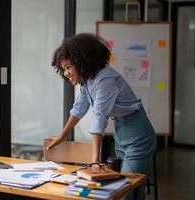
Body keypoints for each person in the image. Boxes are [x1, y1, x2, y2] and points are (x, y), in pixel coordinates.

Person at [46, 33, 156, 199]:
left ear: (82, 62)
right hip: (122, 132)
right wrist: (62, 136)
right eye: (64, 69)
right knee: (125, 188)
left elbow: (99, 117)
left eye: (68, 67)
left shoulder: (106, 79)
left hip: (138, 136)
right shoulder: (88, 80)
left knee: (125, 190)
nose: (66, 73)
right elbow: (79, 109)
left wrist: (94, 162)